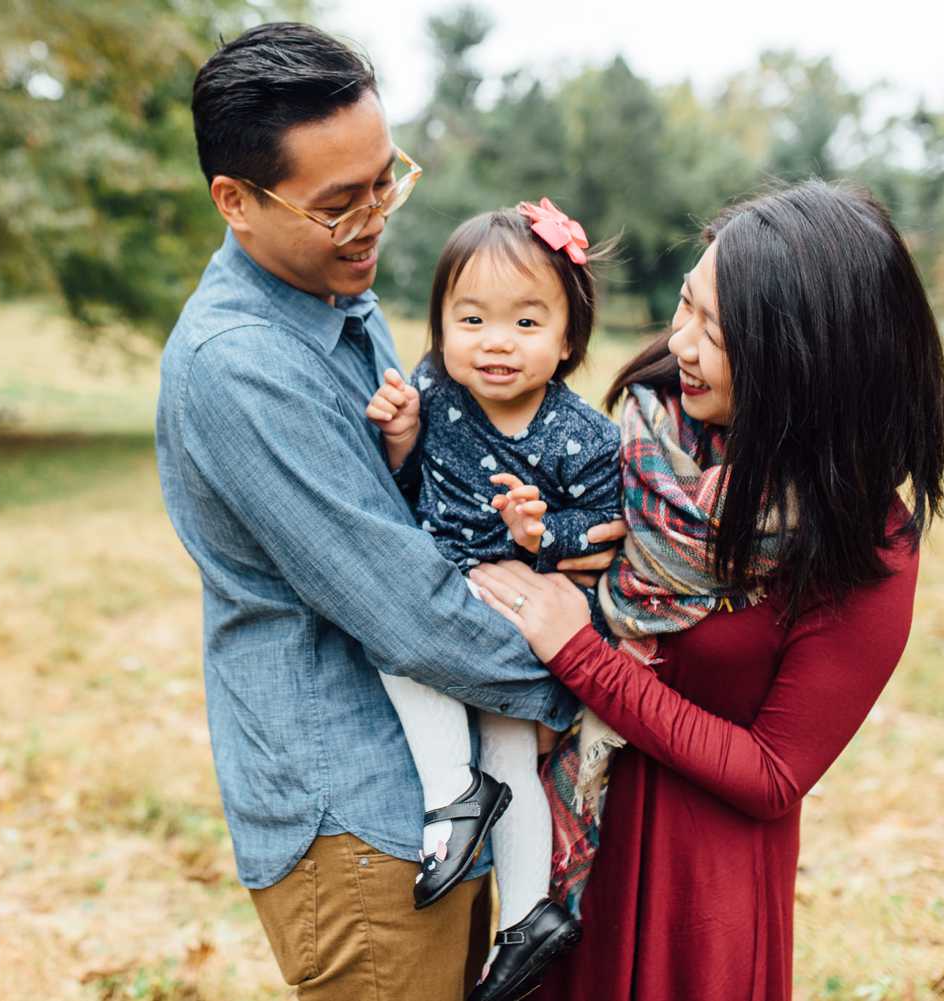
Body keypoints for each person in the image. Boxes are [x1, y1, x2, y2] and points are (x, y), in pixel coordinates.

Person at [154, 22, 626, 1001]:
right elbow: (402, 599)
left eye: (384, 181)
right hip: (360, 824)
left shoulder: (337, 296)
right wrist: (593, 684)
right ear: (234, 202)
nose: (373, 221)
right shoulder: (242, 368)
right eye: (339, 205)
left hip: (443, 784)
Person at [467, 180, 944, 1001]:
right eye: (685, 305)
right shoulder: (641, 438)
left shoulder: (864, 547)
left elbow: (772, 773)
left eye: (714, 332)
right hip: (572, 844)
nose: (679, 344)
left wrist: (583, 652)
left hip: (700, 896)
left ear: (804, 363)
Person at [363, 200, 620, 1000]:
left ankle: (488, 855)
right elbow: (413, 491)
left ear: (567, 338)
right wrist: (402, 438)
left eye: (525, 321)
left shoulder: (582, 436)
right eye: (471, 317)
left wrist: (543, 532)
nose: (496, 341)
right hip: (450, 589)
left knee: (444, 688)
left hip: (514, 614)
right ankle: (510, 889)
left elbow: (605, 526)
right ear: (440, 324)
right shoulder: (438, 386)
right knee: (482, 727)